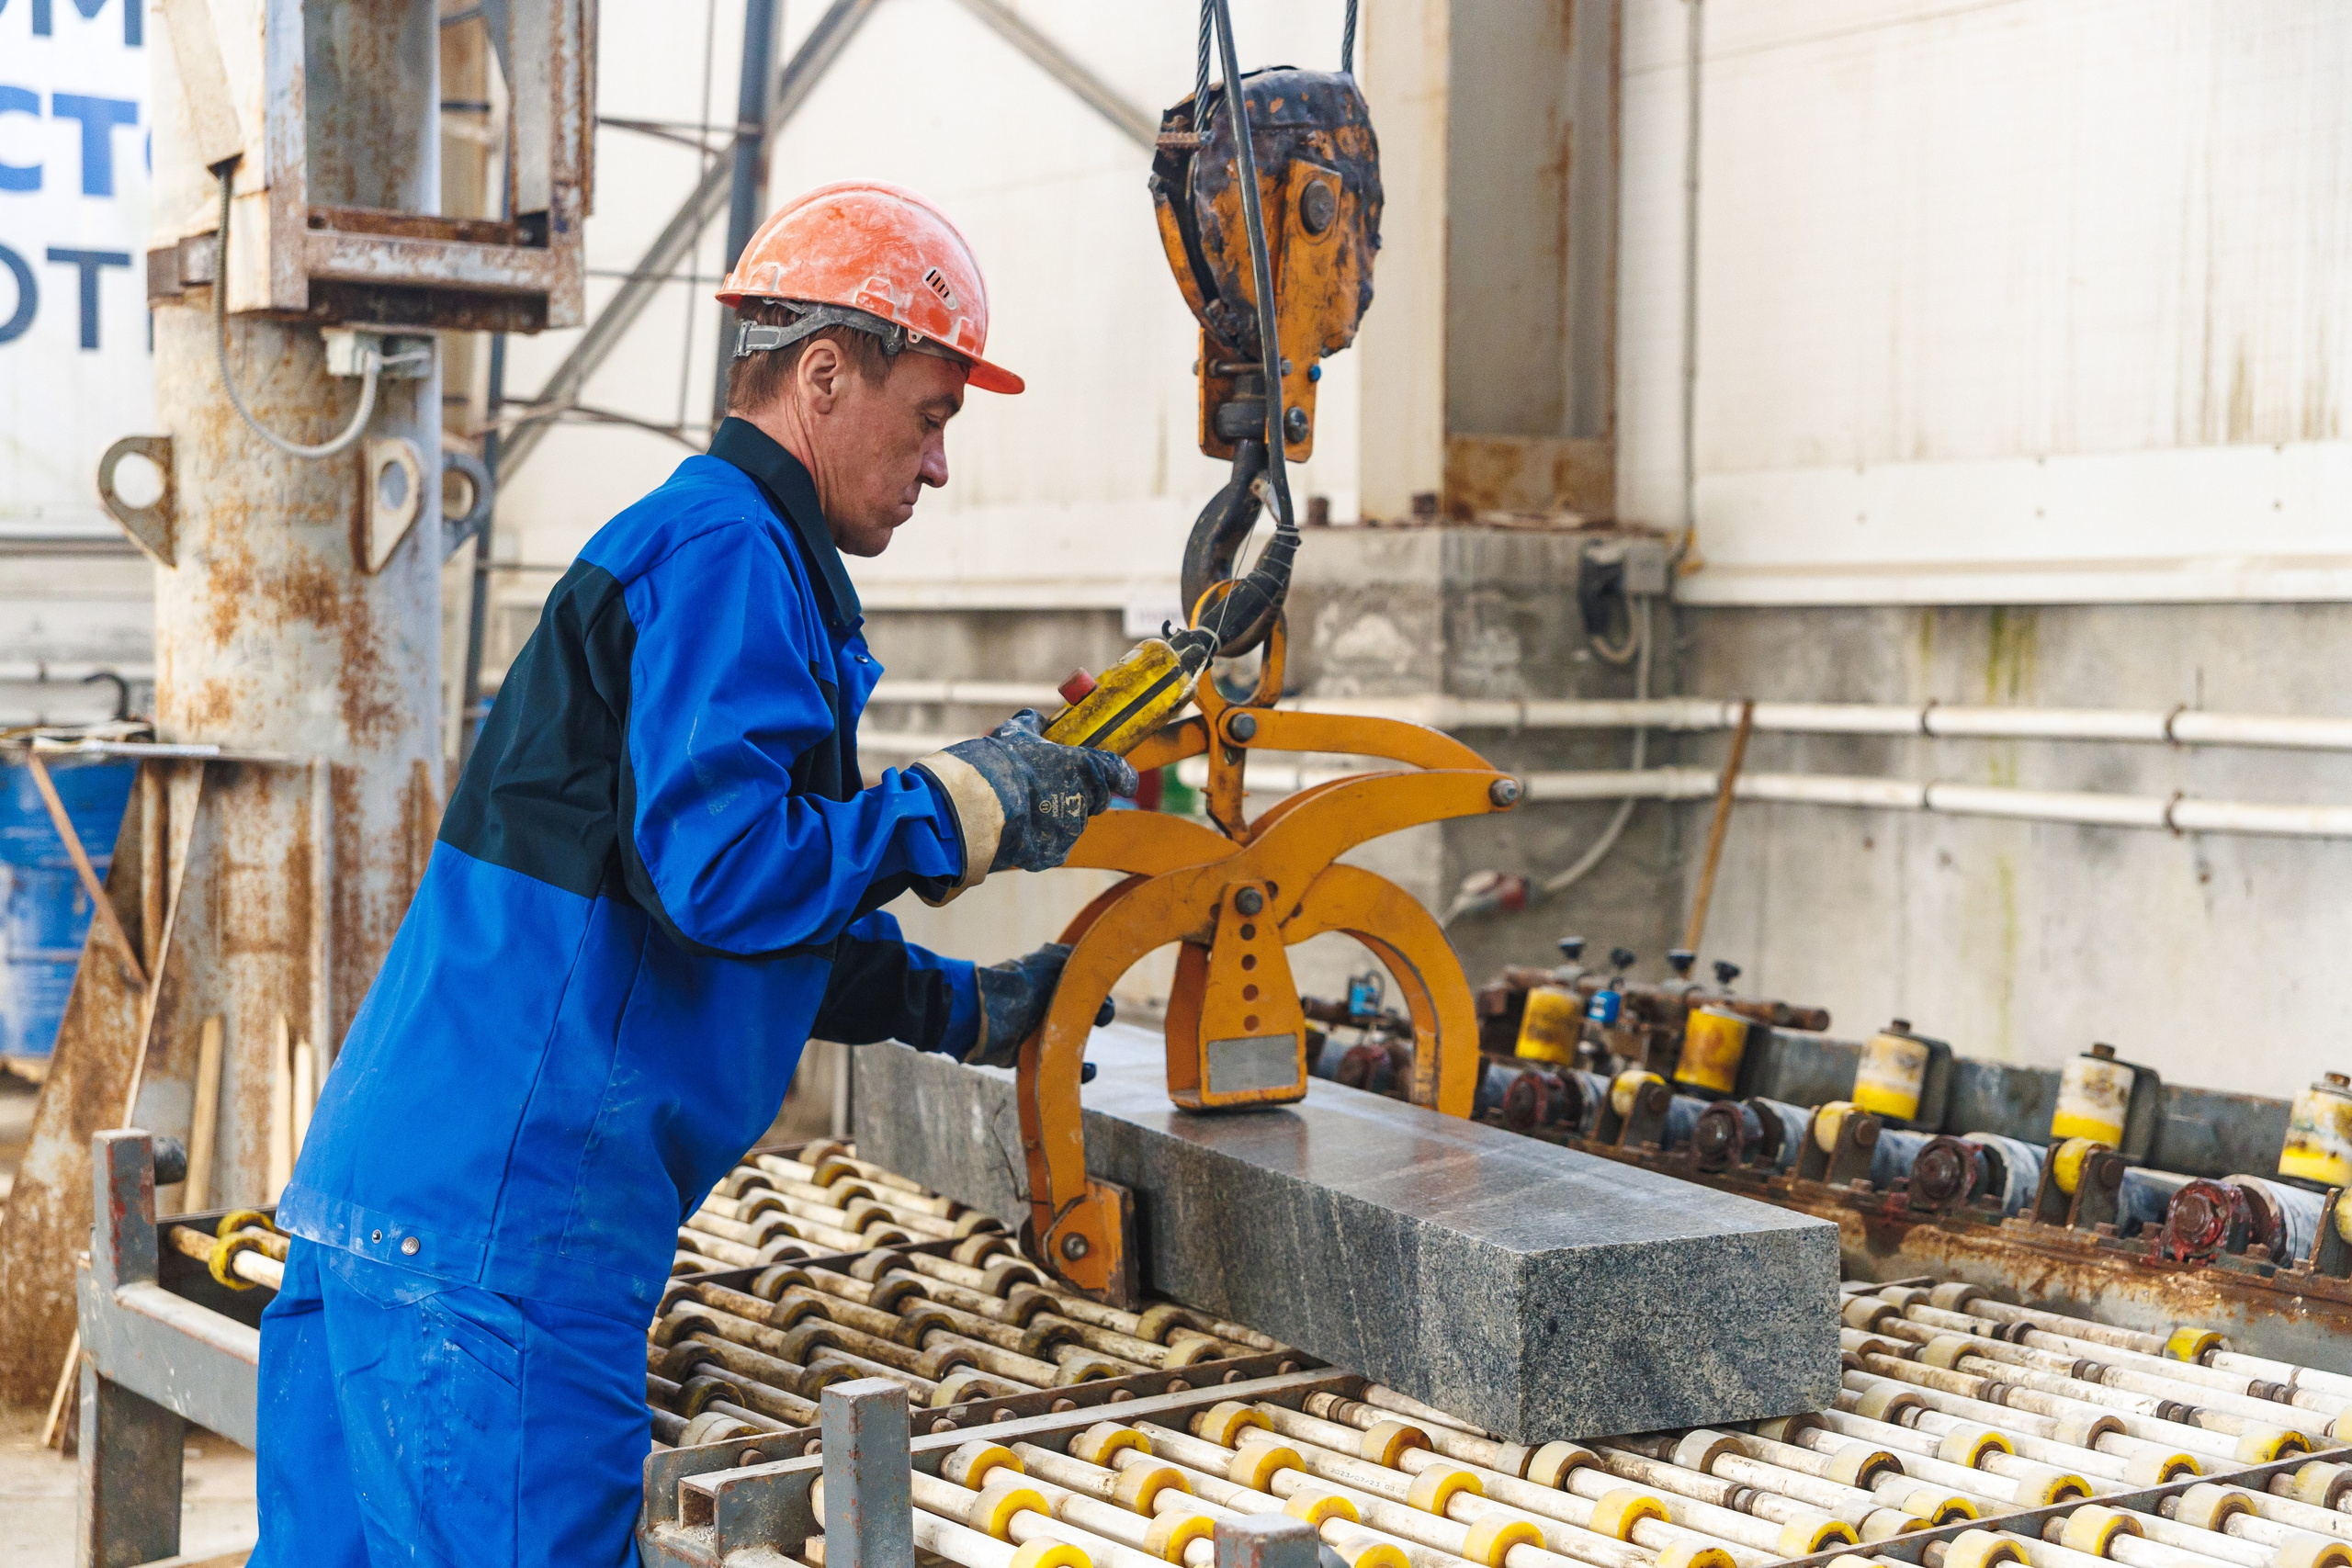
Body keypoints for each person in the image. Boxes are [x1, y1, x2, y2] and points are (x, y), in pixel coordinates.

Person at [250, 181, 1136, 1568]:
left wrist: (977, 1010)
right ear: (827, 373)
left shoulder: (709, 548)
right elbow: (725, 877)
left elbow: (731, 919)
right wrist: (957, 808)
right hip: (509, 1253)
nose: (940, 462)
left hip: (393, 1207)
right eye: (934, 413)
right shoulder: (730, 550)